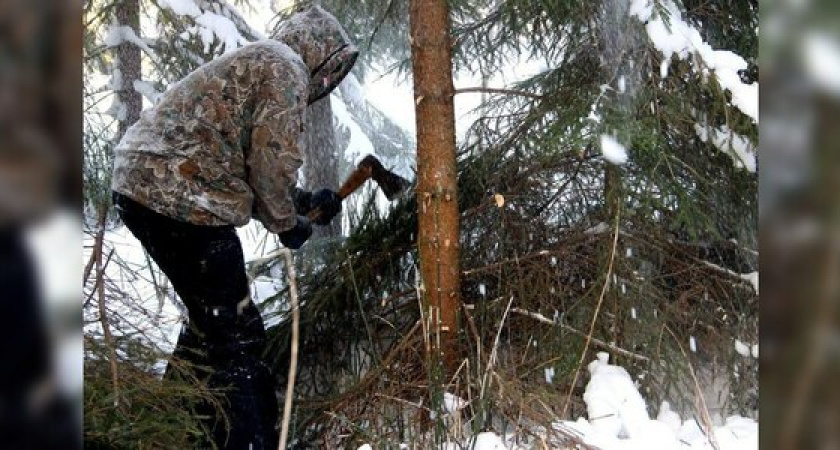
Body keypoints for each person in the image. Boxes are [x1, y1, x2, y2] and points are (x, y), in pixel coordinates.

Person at [110, 6, 358, 449]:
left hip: (148, 185)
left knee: (213, 321)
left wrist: (299, 202)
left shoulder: (264, 61)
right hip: (180, 197)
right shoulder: (284, 67)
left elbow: (240, 156)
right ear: (318, 50)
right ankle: (247, 440)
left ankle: (174, 429)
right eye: (329, 67)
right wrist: (287, 223)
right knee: (236, 331)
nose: (324, 80)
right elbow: (271, 163)